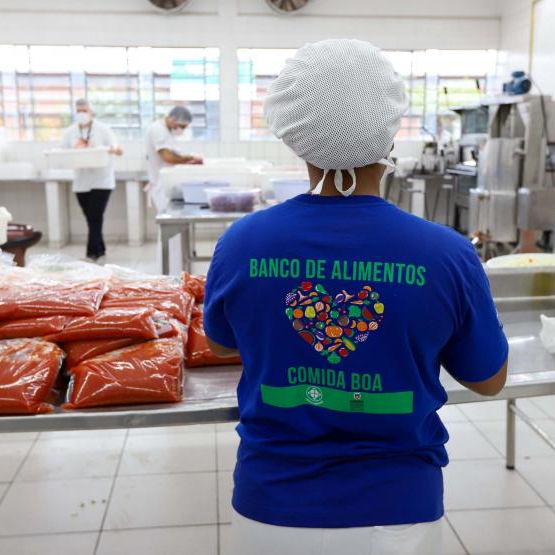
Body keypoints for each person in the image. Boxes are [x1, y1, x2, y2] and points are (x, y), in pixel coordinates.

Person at [202, 39, 508, 555]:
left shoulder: (242, 243)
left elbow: (220, 346)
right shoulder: (446, 254)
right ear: (389, 132)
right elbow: (488, 380)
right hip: (398, 515)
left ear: (294, 136)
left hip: (270, 508)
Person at [60, 99, 123, 262]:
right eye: (78, 110)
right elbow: (61, 152)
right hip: (81, 181)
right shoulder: (70, 132)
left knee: (95, 215)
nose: (81, 114)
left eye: (84, 110)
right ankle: (100, 248)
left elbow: (118, 149)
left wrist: (110, 149)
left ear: (92, 112)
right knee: (91, 217)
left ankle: (92, 253)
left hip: (102, 180)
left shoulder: (103, 129)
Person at [144, 105, 203, 212]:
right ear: (173, 119)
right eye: (181, 126)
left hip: (165, 183)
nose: (181, 130)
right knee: (167, 222)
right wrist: (189, 159)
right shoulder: (158, 130)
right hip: (160, 185)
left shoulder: (167, 132)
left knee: (173, 222)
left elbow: (174, 153)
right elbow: (168, 158)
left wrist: (190, 159)